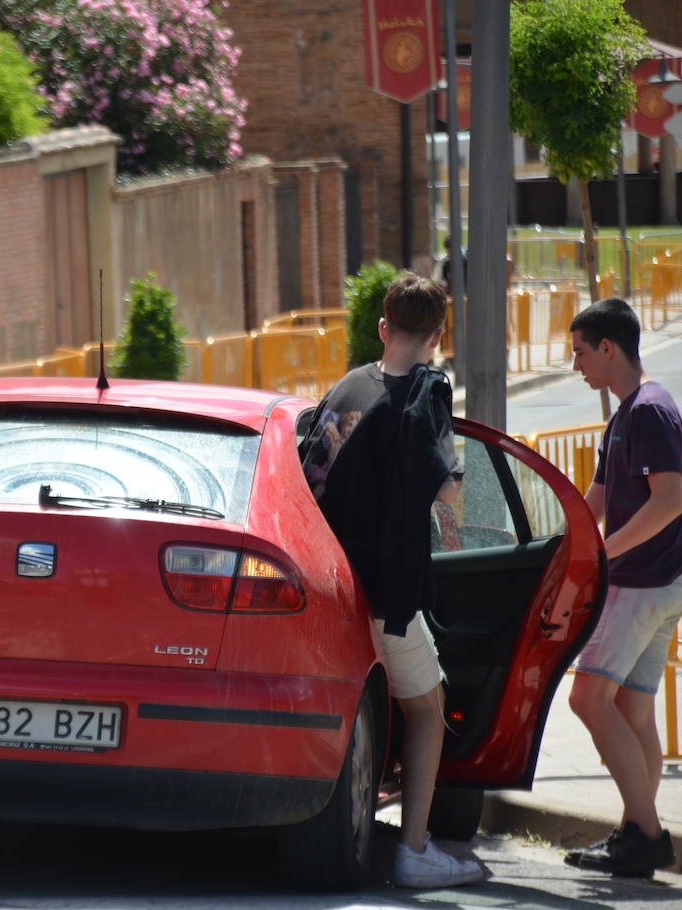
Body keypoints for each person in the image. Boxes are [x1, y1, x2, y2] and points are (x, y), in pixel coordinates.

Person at [301, 274, 484, 889]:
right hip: (390, 593)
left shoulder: (348, 388)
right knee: (427, 708)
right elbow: (449, 486)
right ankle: (413, 850)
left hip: (328, 585)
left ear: (383, 328)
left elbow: (312, 474)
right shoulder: (429, 394)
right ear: (438, 335)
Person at [563, 297, 682, 879]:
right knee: (633, 713)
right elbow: (596, 500)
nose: (576, 366)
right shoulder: (625, 414)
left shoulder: (648, 411)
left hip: (646, 582)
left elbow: (668, 503)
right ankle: (631, 831)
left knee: (587, 699)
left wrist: (600, 553)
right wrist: (560, 541)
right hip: (661, 580)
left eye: (580, 353)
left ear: (608, 348)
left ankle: (646, 834)